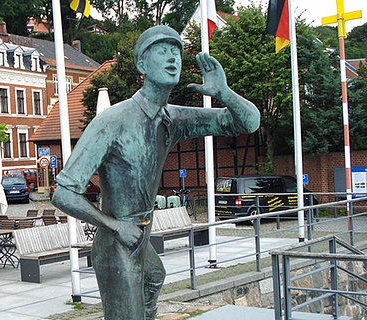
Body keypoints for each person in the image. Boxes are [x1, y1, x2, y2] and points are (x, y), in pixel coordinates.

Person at [51, 25, 260, 320]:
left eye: (175, 51)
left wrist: (224, 93)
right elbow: (63, 193)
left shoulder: (173, 118)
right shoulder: (112, 121)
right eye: (162, 51)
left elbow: (248, 122)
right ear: (141, 65)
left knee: (153, 278)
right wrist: (114, 226)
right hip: (117, 241)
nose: (172, 57)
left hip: (141, 236)